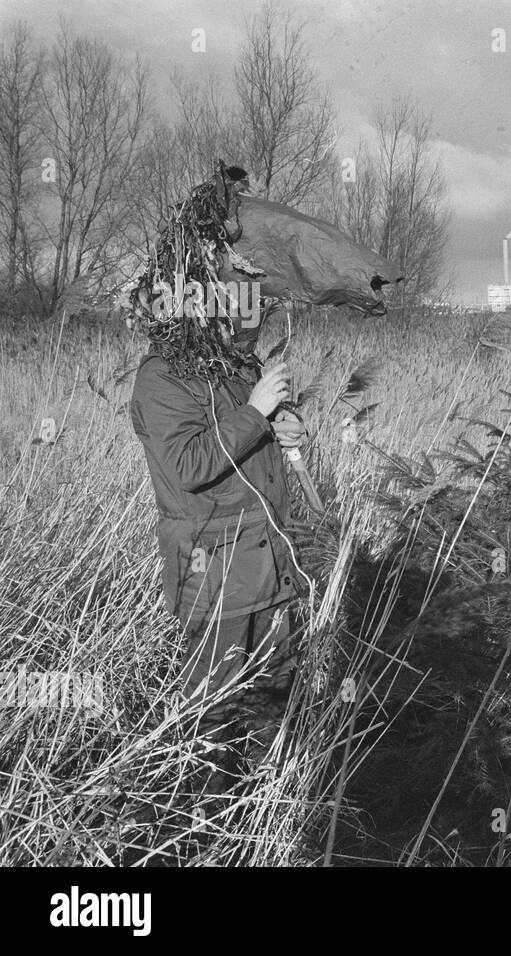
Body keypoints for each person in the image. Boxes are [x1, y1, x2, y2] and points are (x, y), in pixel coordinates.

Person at [128, 168, 309, 789]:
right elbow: (189, 465)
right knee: (215, 721)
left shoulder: (236, 366)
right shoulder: (162, 378)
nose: (252, 312)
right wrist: (256, 411)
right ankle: (205, 830)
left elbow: (246, 448)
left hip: (269, 567)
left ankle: (267, 821)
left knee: (272, 707)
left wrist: (282, 433)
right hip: (216, 578)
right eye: (238, 297)